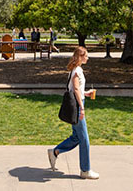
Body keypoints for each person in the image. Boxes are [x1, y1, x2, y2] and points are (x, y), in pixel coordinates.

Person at [48, 47, 98, 180]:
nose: (87, 58)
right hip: (77, 106)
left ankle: (55, 152)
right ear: (80, 56)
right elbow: (75, 89)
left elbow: (77, 89)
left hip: (78, 102)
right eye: (86, 55)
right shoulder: (77, 71)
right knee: (84, 139)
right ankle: (85, 170)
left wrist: (86, 93)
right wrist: (82, 108)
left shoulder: (77, 70)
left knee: (76, 137)